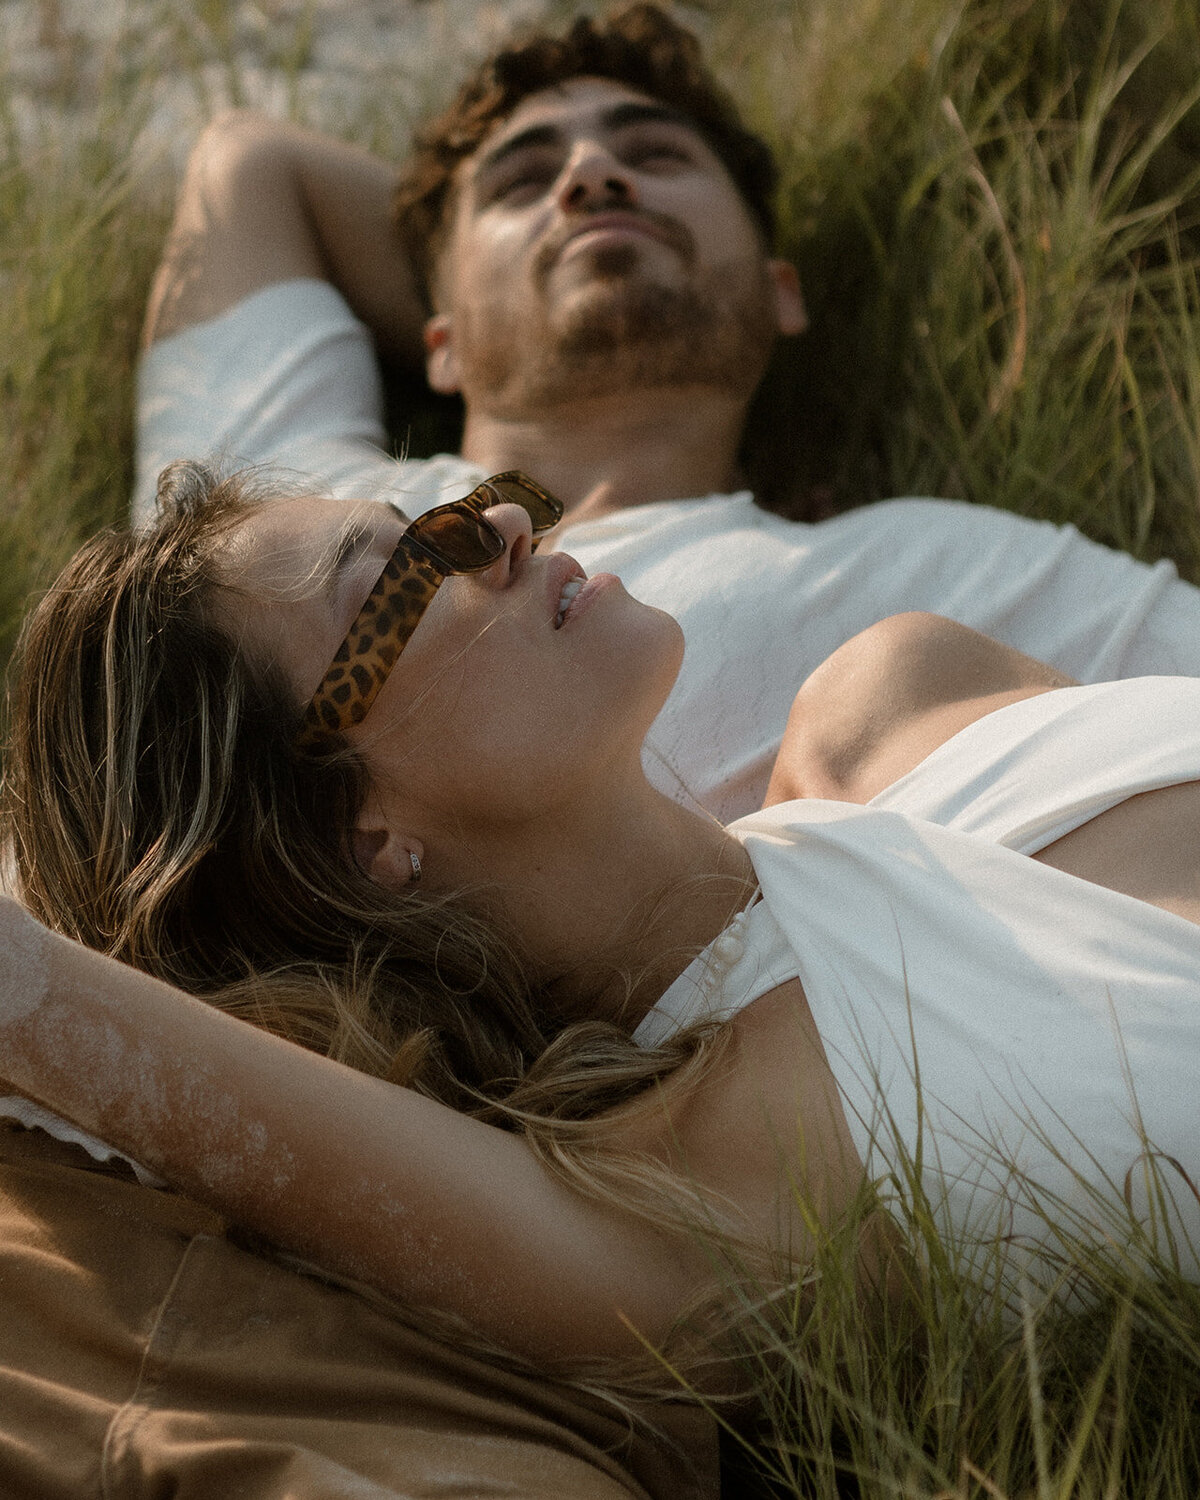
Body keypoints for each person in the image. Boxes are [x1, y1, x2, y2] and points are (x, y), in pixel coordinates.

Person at [4, 464, 1199, 1397]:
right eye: (402, 580)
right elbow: (34, 994)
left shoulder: (900, 693)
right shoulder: (721, 1184)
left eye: (448, 511)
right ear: (362, 838)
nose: (505, 531)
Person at [133, 3, 1200, 828]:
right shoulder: (287, 522)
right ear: (438, 340)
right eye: (526, 177)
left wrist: (516, 257)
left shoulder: (932, 570)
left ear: (782, 292)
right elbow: (248, 163)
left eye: (657, 157)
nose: (594, 175)